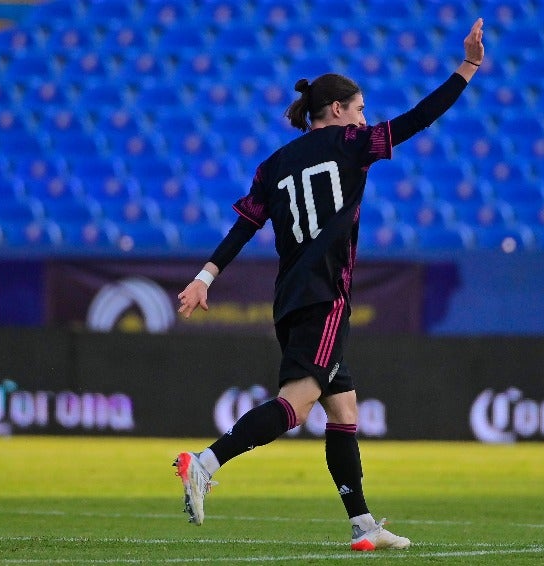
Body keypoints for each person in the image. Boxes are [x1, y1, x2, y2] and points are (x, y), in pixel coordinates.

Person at [173, 18, 485, 552]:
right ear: (337, 111)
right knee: (295, 405)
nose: (365, 117)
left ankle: (363, 527)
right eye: (360, 108)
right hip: (325, 295)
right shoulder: (352, 143)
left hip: (290, 297)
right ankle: (204, 462)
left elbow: (243, 227)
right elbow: (418, 119)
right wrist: (469, 67)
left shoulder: (273, 165)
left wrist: (205, 277)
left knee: (344, 412)